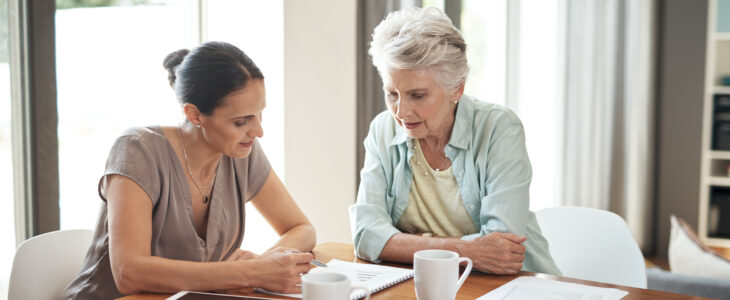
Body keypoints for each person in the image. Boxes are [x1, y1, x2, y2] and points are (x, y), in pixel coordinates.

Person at [60, 41, 316, 299]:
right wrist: (250, 272)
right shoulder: (138, 151)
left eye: (260, 115)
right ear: (195, 115)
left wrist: (266, 264)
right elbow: (129, 273)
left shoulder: (241, 151)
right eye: (241, 121)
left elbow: (301, 228)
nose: (258, 131)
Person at [349, 7, 561, 276]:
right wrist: (467, 250)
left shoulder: (499, 129)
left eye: (417, 95)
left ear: (457, 88)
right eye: (392, 94)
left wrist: (400, 244)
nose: (401, 112)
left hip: (511, 285)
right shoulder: (383, 129)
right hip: (425, 282)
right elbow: (366, 235)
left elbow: (502, 248)